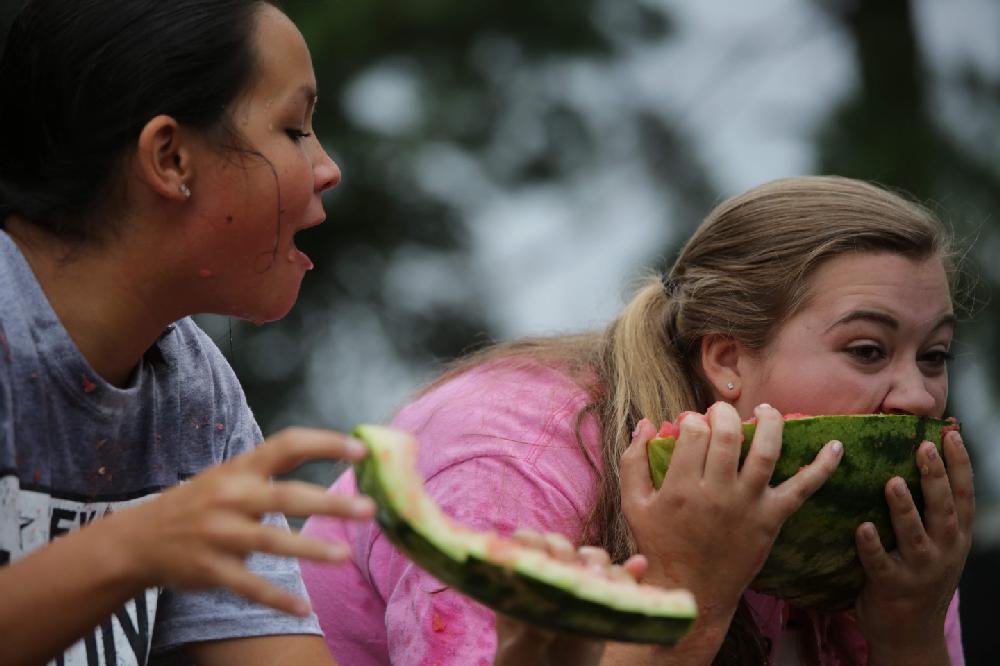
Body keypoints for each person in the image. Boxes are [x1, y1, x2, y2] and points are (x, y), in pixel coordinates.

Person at [301, 175, 974, 665]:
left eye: (935, 355)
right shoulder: (514, 463)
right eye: (867, 350)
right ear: (726, 357)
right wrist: (688, 594)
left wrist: (909, 637)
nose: (916, 397)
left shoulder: (878, 526)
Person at [0, 1, 381, 664]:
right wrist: (133, 546)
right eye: (294, 129)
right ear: (171, 158)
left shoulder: (192, 389)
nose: (328, 169)